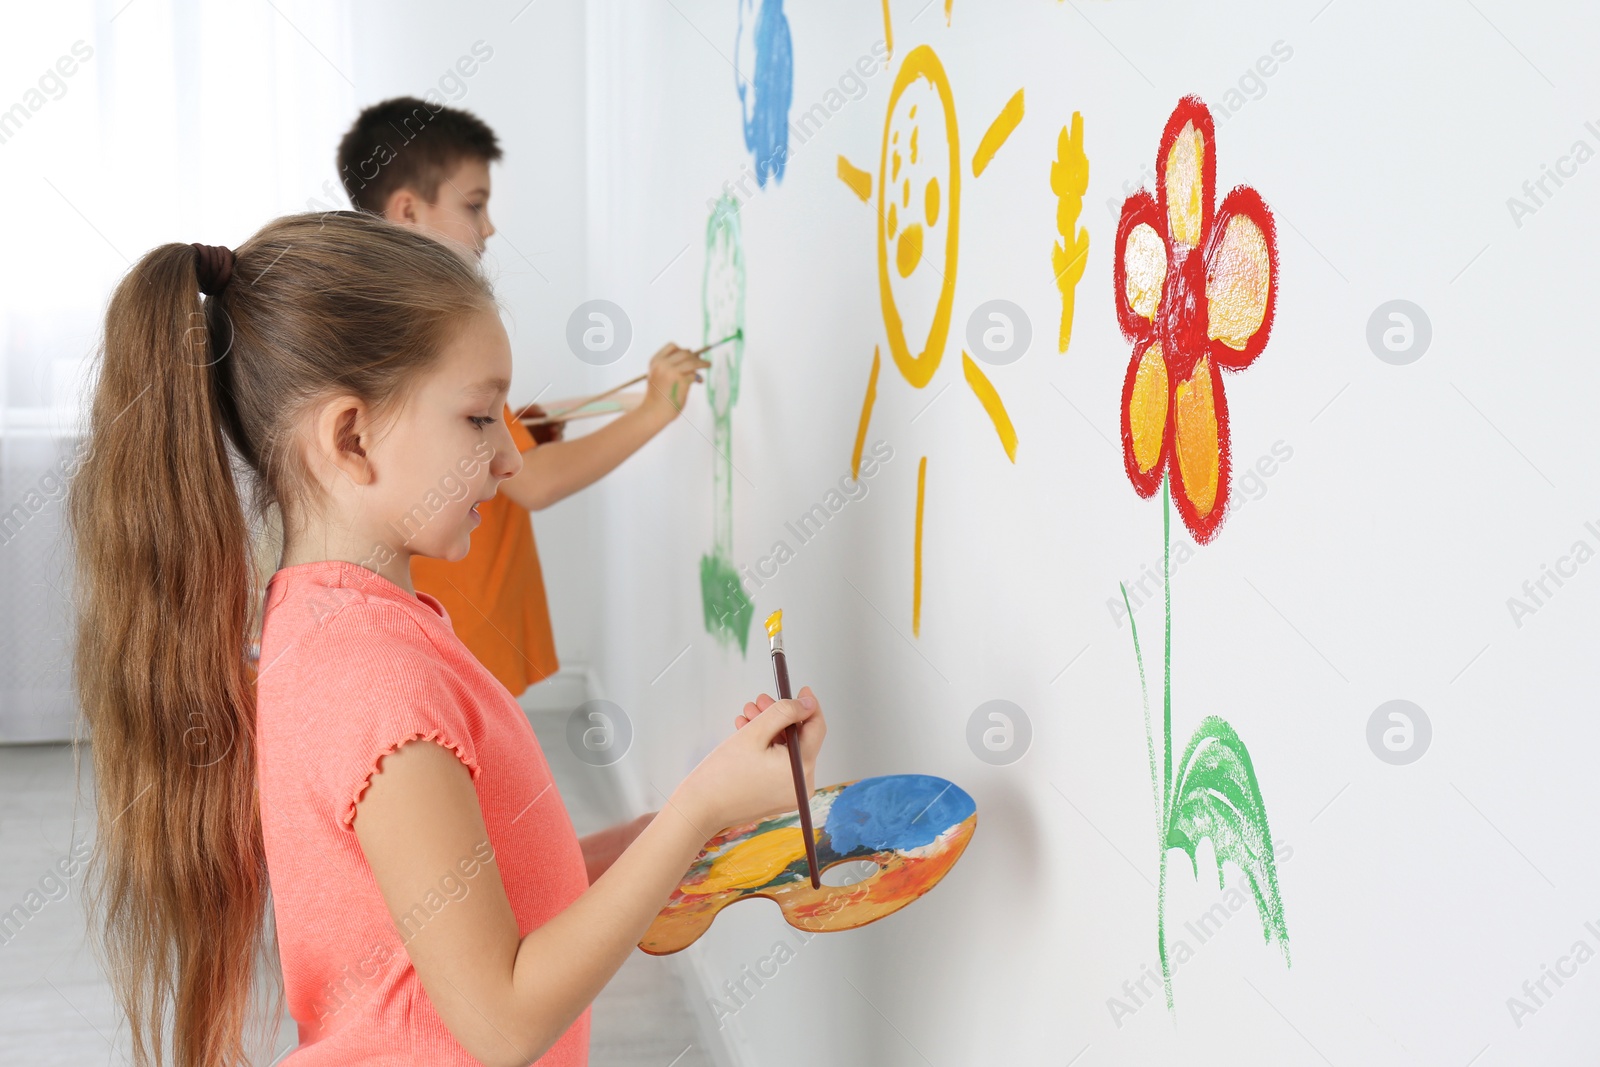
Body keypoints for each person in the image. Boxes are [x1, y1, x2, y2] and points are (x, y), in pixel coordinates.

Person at [67, 212, 826, 1067]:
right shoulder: (378, 681)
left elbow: (498, 881)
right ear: (351, 437)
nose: (510, 456)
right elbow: (502, 1021)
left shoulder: (339, 629)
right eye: (477, 417)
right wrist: (697, 811)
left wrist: (699, 812)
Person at [336, 97, 701, 699]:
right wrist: (656, 409)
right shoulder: (424, 321)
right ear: (406, 210)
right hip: (459, 624)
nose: (489, 227)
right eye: (473, 205)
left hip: (450, 618)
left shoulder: (388, 309)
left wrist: (511, 421)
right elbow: (532, 481)